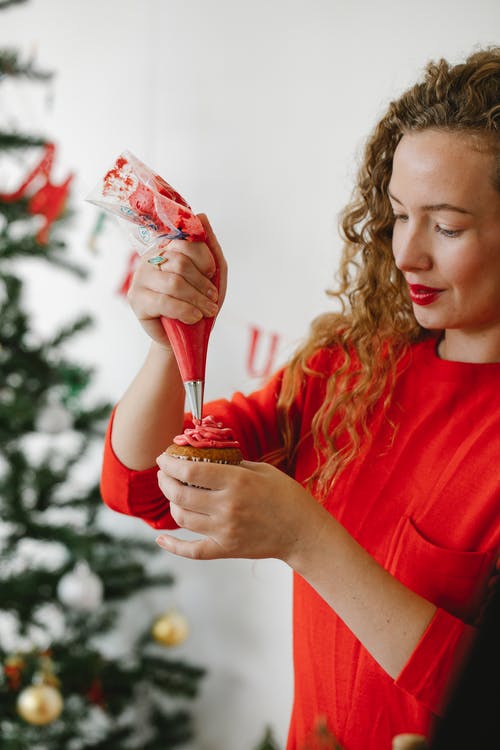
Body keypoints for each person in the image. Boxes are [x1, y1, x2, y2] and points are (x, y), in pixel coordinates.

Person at [100, 47, 500, 750]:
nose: (406, 253)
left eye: (447, 225)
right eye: (399, 215)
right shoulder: (349, 364)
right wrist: (170, 346)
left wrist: (307, 539)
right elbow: (145, 487)